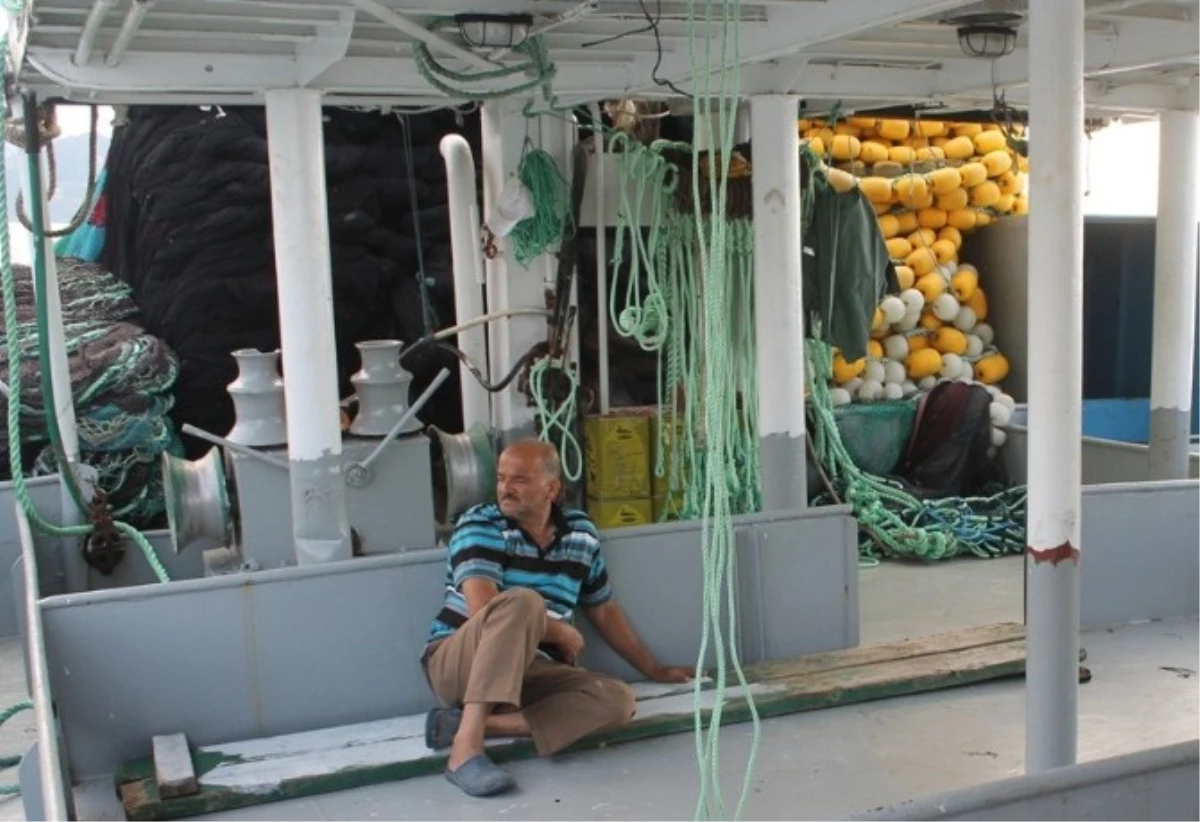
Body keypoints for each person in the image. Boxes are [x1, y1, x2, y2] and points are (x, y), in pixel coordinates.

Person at [421, 438, 694, 797]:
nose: (505, 488)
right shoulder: (480, 523)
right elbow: (483, 610)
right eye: (501, 478)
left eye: (518, 480)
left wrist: (653, 670)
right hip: (458, 661)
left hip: (528, 671)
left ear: (551, 488)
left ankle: (470, 725)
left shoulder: (580, 533)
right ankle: (464, 751)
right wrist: (556, 632)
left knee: (617, 699)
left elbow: (604, 609)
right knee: (524, 602)